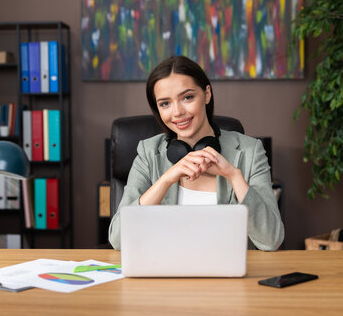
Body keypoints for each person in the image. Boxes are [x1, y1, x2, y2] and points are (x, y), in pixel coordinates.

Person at [108, 55, 284, 251]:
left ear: (207, 94)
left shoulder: (250, 151)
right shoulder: (148, 153)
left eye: (187, 97)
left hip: (229, 277)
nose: (177, 112)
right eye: (165, 103)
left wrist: (233, 175)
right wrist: (166, 180)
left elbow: (271, 240)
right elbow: (118, 239)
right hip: (165, 272)